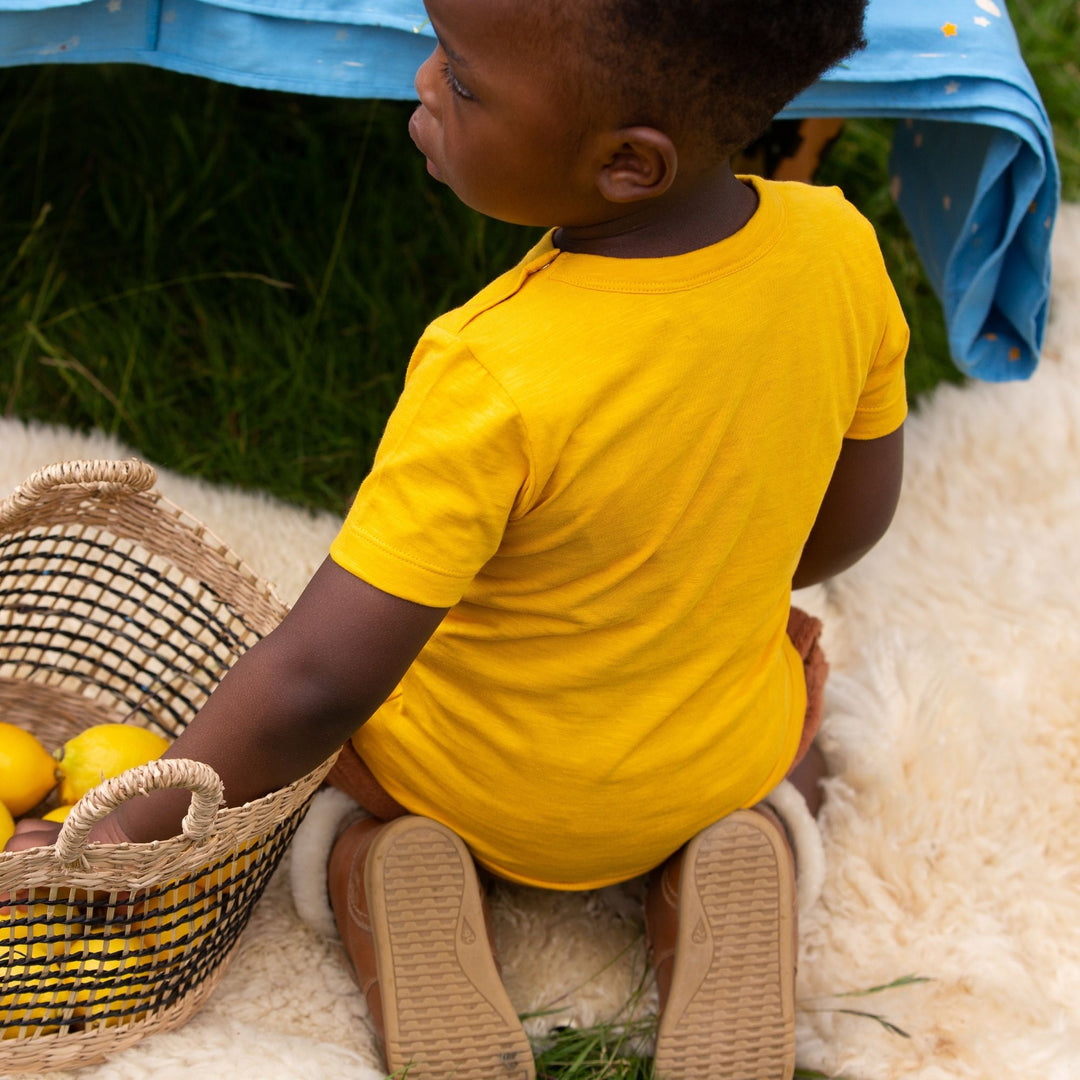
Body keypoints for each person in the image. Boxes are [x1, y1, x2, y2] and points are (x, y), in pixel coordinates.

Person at [9, 0, 908, 1076]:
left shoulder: (492, 371)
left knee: (336, 786)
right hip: (701, 763)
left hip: (472, 783)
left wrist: (127, 827)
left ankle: (383, 870)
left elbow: (316, 680)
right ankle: (746, 854)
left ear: (627, 162)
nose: (424, 81)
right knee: (792, 724)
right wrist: (716, 574)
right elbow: (857, 519)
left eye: (467, 80)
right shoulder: (840, 251)